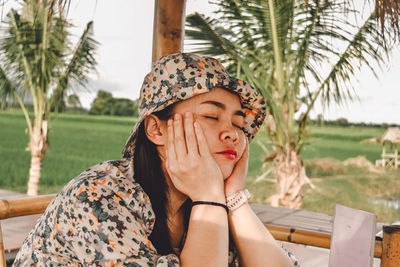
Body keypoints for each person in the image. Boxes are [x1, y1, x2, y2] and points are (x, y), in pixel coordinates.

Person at [13, 53, 299, 266]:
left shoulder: (195, 205)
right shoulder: (98, 197)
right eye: (212, 116)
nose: (233, 134)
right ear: (156, 129)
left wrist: (233, 198)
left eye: (238, 123)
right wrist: (209, 198)